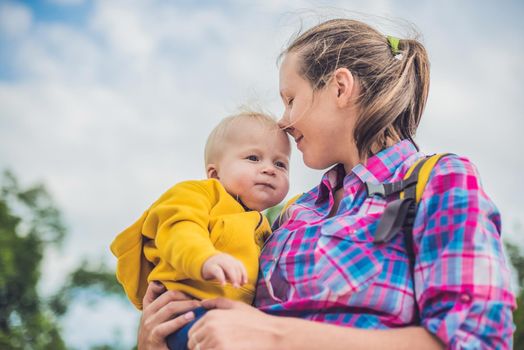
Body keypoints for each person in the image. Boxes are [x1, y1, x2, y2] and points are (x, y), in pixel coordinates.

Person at [136, 18, 516, 350]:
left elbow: (476, 341)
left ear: (339, 87)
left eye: (290, 98)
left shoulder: (438, 181)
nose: (283, 121)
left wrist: (275, 336)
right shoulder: (291, 213)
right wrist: (157, 339)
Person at [110, 111, 291, 350]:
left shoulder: (262, 224)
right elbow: (179, 229)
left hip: (225, 320)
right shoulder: (199, 194)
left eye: (280, 164)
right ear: (214, 173)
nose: (270, 169)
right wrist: (204, 258)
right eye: (253, 158)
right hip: (186, 312)